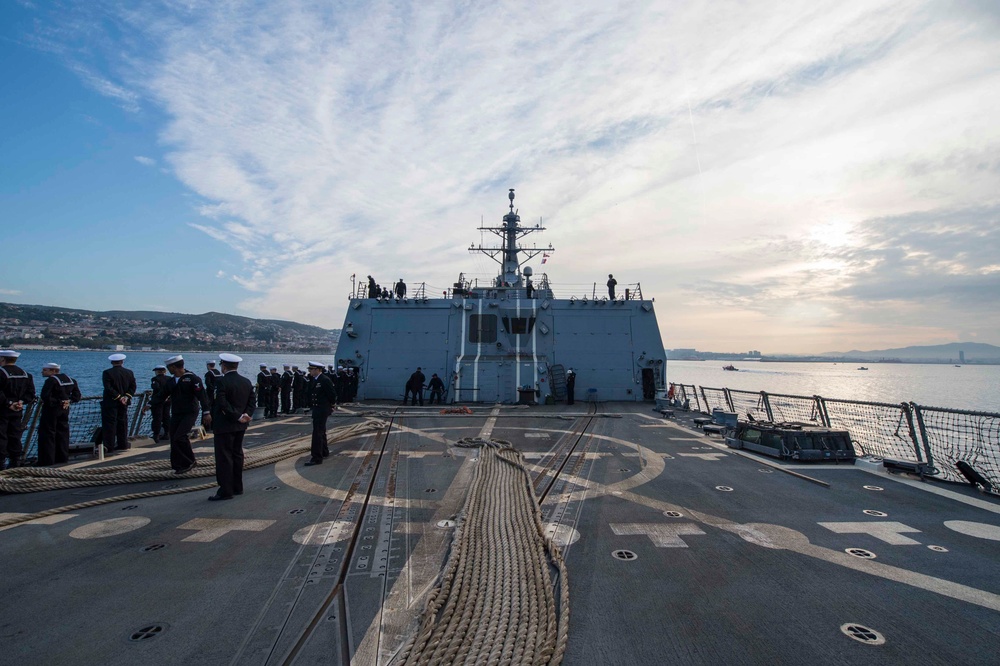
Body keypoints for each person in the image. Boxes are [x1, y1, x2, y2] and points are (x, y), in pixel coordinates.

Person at [209, 353, 255, 501]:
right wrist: (245, 415)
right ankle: (237, 487)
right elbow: (252, 401)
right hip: (241, 425)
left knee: (224, 458)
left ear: (223, 366)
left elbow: (221, 403)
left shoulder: (221, 382)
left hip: (225, 425)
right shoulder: (246, 382)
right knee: (237, 455)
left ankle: (226, 490)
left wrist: (236, 416)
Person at [165, 355, 211, 474]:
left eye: (169, 367)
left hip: (190, 412)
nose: (168, 369)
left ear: (174, 367)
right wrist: (149, 404)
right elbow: (161, 395)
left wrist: (206, 412)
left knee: (180, 436)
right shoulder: (171, 381)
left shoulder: (192, 379)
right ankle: (177, 464)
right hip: (176, 412)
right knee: (173, 436)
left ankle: (189, 461)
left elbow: (202, 396)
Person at [36, 362, 81, 466]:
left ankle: (47, 460)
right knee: (63, 433)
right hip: (65, 409)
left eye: (45, 370)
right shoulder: (71, 380)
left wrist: (57, 402)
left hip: (51, 410)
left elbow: (45, 396)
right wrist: (67, 400)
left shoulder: (51, 381)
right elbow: (77, 396)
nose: (42, 372)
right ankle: (62, 457)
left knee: (48, 434)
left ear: (53, 371)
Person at [0, 350, 36, 468]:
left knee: (1, 436)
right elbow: (30, 394)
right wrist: (20, 402)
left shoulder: (1, 373)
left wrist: (8, 403)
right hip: (18, 410)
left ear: (3, 359)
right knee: (15, 436)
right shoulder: (26, 375)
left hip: (3, 409)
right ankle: (15, 462)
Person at [100, 353, 136, 454]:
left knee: (110, 424)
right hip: (124, 402)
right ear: (122, 361)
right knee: (123, 422)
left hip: (111, 402)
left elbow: (108, 388)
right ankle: (123, 444)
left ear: (112, 362)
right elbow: (133, 386)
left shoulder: (107, 373)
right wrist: (126, 397)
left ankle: (109, 446)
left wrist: (118, 397)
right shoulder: (129, 372)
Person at [304, 361, 337, 466]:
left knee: (317, 433)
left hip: (322, 409)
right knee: (321, 431)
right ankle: (324, 452)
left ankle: (316, 458)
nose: (310, 371)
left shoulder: (324, 380)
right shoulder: (315, 380)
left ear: (318, 370)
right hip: (317, 409)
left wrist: (331, 405)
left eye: (311, 369)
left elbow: (332, 395)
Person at [148, 365, 172, 442]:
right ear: (165, 371)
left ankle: (156, 435)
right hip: (168, 400)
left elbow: (156, 387)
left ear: (157, 372)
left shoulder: (155, 379)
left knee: (157, 418)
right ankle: (167, 434)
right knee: (166, 417)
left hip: (157, 401)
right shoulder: (170, 379)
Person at [203, 361, 223, 431]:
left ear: (208, 365)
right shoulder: (219, 373)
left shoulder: (209, 374)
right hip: (218, 394)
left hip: (210, 395)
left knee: (208, 410)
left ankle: (207, 427)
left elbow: (208, 384)